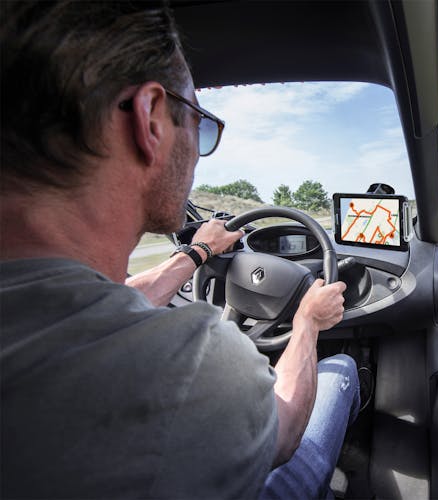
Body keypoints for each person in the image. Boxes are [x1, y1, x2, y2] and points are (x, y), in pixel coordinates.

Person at [0, 1, 358, 498]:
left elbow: (118, 298)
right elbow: (285, 428)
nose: (198, 149)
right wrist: (307, 324)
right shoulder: (190, 365)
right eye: (199, 123)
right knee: (339, 373)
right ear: (149, 120)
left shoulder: (37, 305)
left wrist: (196, 254)